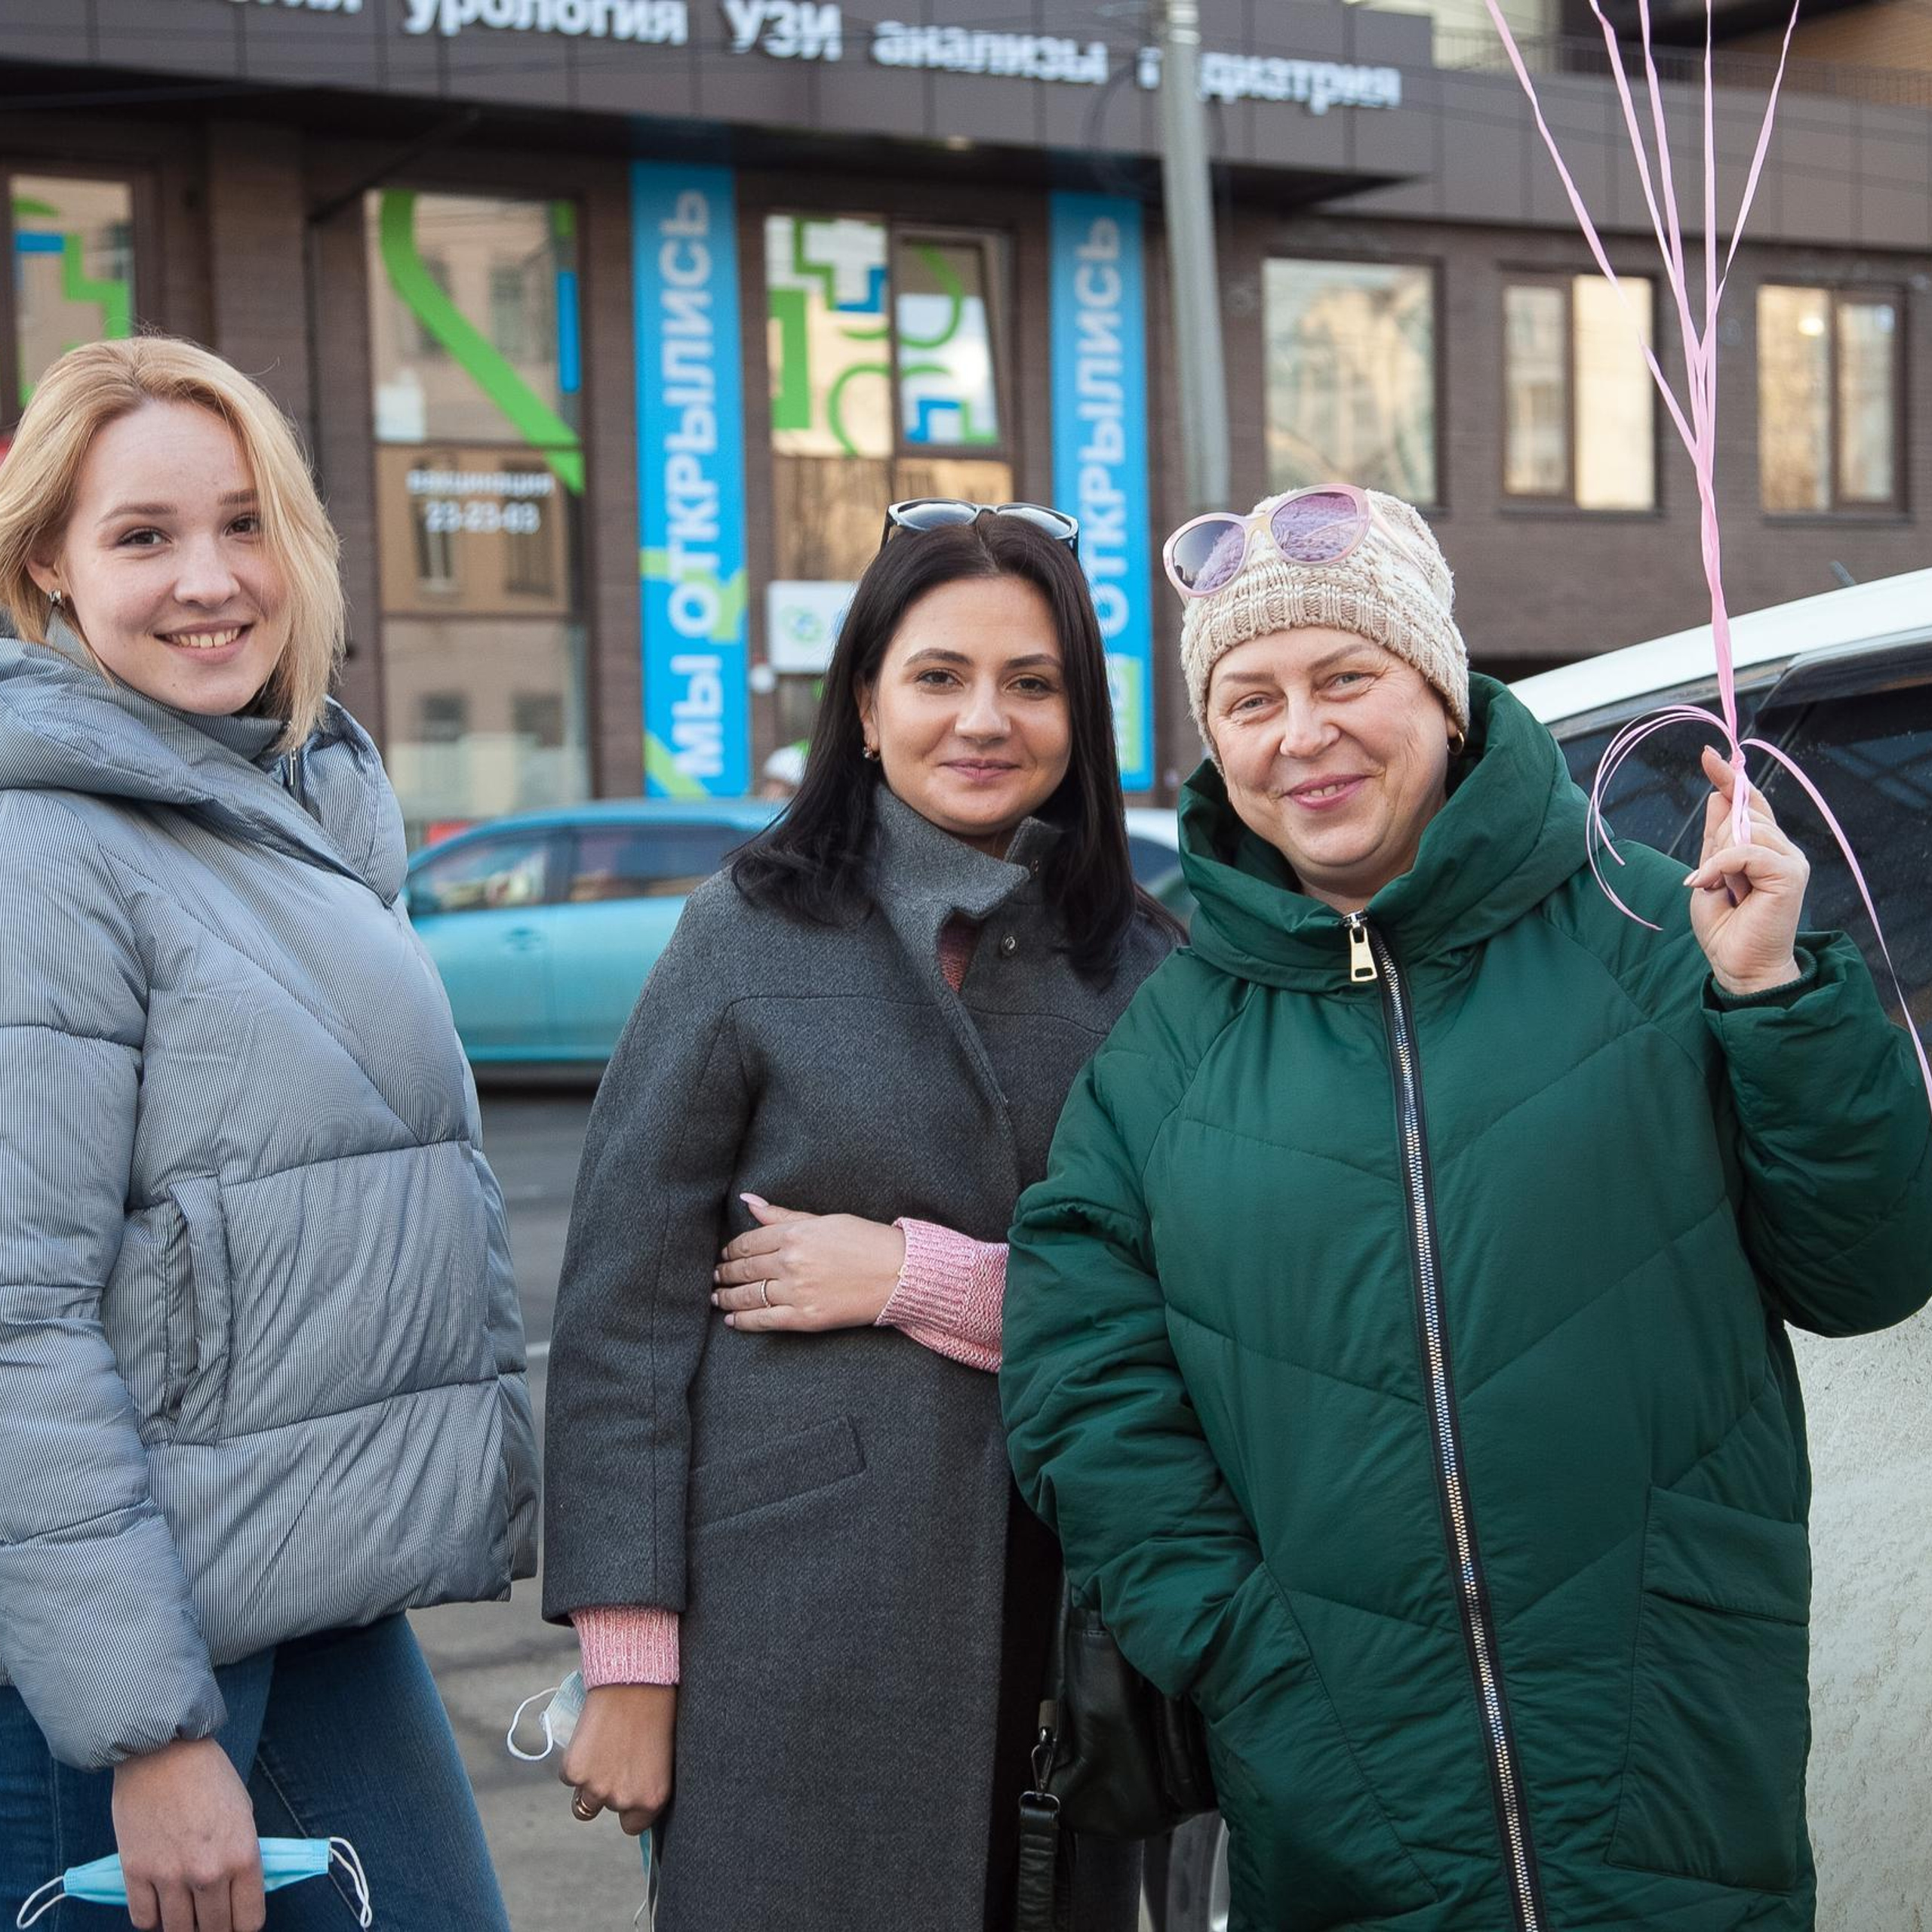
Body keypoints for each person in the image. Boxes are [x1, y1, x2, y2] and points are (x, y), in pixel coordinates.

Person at [1001, 485, 1932, 1932]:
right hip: (1338, 1799)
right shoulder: (1165, 1054)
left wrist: (1776, 995)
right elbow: (1078, 1376)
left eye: (1346, 678)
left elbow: (1869, 1268)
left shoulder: (1659, 934)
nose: (1301, 735)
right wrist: (1244, 1645)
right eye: (1248, 699)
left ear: (1441, 692)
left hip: (1672, 1754)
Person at [541, 503, 1179, 1932]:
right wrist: (631, 1663)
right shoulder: (751, 932)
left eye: (1034, 681)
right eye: (939, 675)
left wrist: (919, 1278)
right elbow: (621, 1320)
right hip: (792, 1634)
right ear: (869, 704)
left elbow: (1188, 1301)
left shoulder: (1140, 966)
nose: (986, 719)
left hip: (1068, 1629)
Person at [0, 337, 538, 1932]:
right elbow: (15, 1313)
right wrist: (146, 1730)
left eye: (244, 524)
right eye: (144, 535)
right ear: (50, 563)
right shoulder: (49, 848)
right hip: (125, 1644)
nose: (209, 580)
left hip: (302, 1589)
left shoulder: (280, 803)